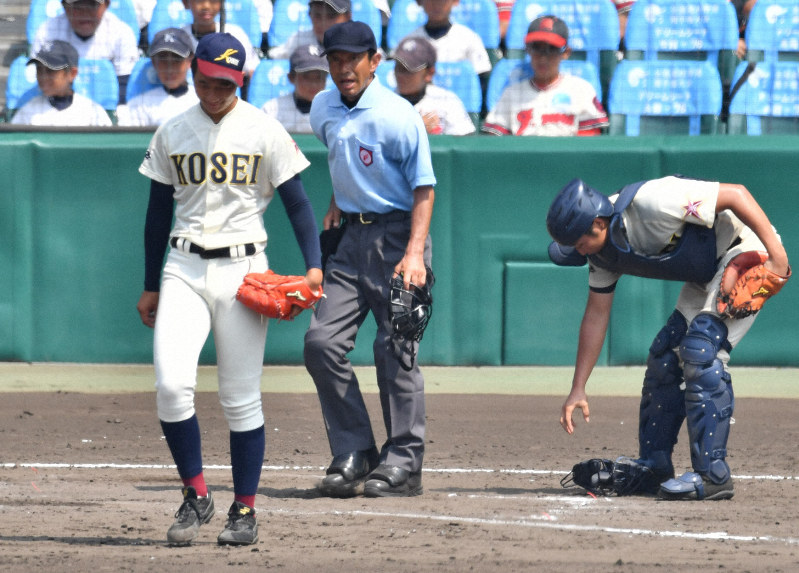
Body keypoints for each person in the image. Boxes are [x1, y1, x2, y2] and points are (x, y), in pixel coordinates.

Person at [136, 32, 322, 545]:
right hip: (184, 266)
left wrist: (314, 267)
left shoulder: (264, 129)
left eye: (224, 82)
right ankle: (196, 494)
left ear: (240, 80)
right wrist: (151, 285)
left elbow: (299, 205)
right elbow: (156, 216)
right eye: (205, 80)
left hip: (243, 272)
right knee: (172, 387)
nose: (213, 90)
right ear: (194, 72)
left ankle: (244, 508)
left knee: (240, 397)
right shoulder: (174, 129)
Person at [546, 175, 790, 500]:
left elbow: (736, 194)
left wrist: (778, 259)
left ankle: (713, 475)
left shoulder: (652, 202)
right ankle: (654, 467)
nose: (577, 251)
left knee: (702, 350)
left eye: (578, 242)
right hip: (705, 270)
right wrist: (578, 388)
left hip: (743, 254)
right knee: (664, 357)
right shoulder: (601, 253)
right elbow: (596, 315)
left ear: (598, 223)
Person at [304, 21, 436, 498]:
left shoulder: (398, 115)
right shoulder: (323, 106)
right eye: (335, 60)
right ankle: (357, 450)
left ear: (374, 62)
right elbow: (340, 151)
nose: (343, 68)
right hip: (350, 239)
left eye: (352, 59)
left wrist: (415, 252)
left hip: (399, 236)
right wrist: (342, 197)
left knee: (394, 349)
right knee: (321, 343)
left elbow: (424, 187)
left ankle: (405, 461)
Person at [481, 15, 608, 136]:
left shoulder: (581, 90)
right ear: (528, 50)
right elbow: (494, 142)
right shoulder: (511, 93)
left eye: (551, 49)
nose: (543, 57)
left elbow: (590, 143)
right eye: (536, 48)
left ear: (566, 52)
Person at [31, 0, 140, 104]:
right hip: (57, 107)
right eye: (77, 6)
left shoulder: (122, 33)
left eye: (92, 5)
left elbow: (125, 85)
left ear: (106, 4)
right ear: (65, 6)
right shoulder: (47, 31)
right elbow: (39, 80)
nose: (85, 12)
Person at [11, 39, 113, 126]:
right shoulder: (28, 111)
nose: (43, 77)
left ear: (72, 74)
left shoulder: (92, 112)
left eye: (51, 70)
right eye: (39, 70)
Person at [392, 36, 475, 135]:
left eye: (408, 70)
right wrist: (416, 128)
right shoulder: (383, 102)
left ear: (429, 73)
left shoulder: (447, 101)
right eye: (399, 68)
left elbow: (465, 144)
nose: (401, 75)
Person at [117, 27, 199, 127]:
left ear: (190, 61)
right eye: (163, 60)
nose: (170, 68)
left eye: (177, 59)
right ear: (154, 63)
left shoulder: (201, 99)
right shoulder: (141, 105)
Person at [399, 0, 492, 82]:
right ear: (419, 1)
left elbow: (482, 77)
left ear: (455, 1)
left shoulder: (469, 38)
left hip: (458, 101)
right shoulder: (409, 42)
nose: (436, 4)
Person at [180, 0, 260, 78]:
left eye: (213, 0)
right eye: (199, 0)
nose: (206, 6)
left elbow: (252, 72)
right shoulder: (178, 37)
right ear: (185, 2)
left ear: (221, 3)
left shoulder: (236, 35)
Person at [261, 44, 329, 134]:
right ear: (291, 77)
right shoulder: (272, 110)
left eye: (319, 77)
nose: (314, 84)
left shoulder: (334, 111)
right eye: (307, 77)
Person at [267, 0, 351, 60]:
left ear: (347, 17)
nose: (323, 23)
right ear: (309, 15)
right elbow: (273, 57)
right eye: (317, 16)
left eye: (331, 16)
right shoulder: (299, 40)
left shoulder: (359, 44)